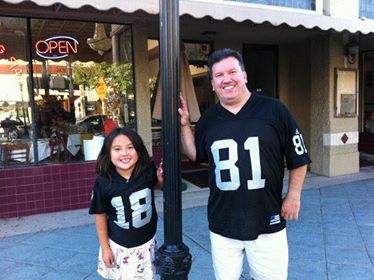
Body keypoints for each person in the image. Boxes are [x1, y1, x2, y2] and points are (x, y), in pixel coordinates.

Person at [178, 48, 311, 280]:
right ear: (212, 83)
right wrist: (184, 125)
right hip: (223, 223)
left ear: (244, 76)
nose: (226, 79)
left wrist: (293, 196)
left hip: (267, 219)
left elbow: (298, 157)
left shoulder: (275, 110)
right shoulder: (209, 119)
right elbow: (196, 154)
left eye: (232, 72)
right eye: (219, 75)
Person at [89, 127, 163, 279]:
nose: (124, 153)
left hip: (146, 242)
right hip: (120, 246)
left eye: (130, 147)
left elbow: (156, 185)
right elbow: (100, 215)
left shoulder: (147, 169)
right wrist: (105, 248)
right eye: (117, 149)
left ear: (139, 150)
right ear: (108, 153)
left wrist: (161, 178)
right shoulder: (103, 182)